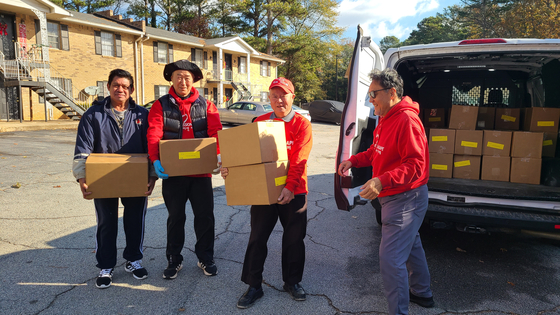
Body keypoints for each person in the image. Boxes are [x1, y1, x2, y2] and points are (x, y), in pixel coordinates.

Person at [337, 69, 434, 314]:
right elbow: (375, 151)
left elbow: (416, 165)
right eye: (368, 94)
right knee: (411, 245)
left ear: (392, 93)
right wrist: (354, 160)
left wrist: (381, 181)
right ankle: (422, 293)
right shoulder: (387, 118)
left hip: (406, 198)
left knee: (391, 260)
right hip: (394, 196)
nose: (370, 100)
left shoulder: (407, 120)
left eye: (373, 94)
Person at [220, 77, 313, 309]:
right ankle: (254, 285)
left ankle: (292, 282)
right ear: (269, 99)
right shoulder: (260, 121)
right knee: (257, 237)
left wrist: (290, 187)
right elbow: (245, 152)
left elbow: (300, 159)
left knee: (294, 239)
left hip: (295, 190)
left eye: (283, 95)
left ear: (292, 96)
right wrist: (230, 166)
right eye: (274, 95)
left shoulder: (302, 124)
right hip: (264, 190)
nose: (279, 100)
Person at [73, 69, 157, 289]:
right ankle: (106, 265)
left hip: (135, 176)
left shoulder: (142, 115)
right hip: (103, 177)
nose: (121, 89)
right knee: (106, 222)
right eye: (116, 85)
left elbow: (152, 147)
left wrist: (152, 175)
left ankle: (133, 259)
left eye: (125, 86)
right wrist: (82, 176)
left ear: (131, 90)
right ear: (109, 87)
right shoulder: (93, 115)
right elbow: (83, 148)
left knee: (135, 220)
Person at [146, 60, 222, 279]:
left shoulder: (206, 105)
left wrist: (217, 155)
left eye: (187, 77)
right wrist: (155, 160)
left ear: (194, 80)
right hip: (174, 173)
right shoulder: (161, 105)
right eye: (178, 76)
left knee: (205, 217)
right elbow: (154, 133)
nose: (183, 81)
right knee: (175, 217)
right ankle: (173, 259)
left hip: (201, 175)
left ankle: (205, 257)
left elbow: (216, 132)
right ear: (171, 78)